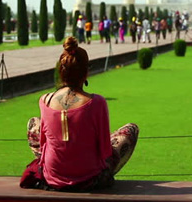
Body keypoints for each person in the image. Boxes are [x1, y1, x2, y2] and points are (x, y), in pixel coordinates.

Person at [21, 37, 138, 191]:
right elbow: (105, 151)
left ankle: (60, 163)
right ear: (86, 72)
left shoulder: (45, 100)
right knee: (130, 130)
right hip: (90, 178)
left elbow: (43, 144)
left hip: (52, 177)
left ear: (61, 71)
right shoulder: (96, 103)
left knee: (34, 123)